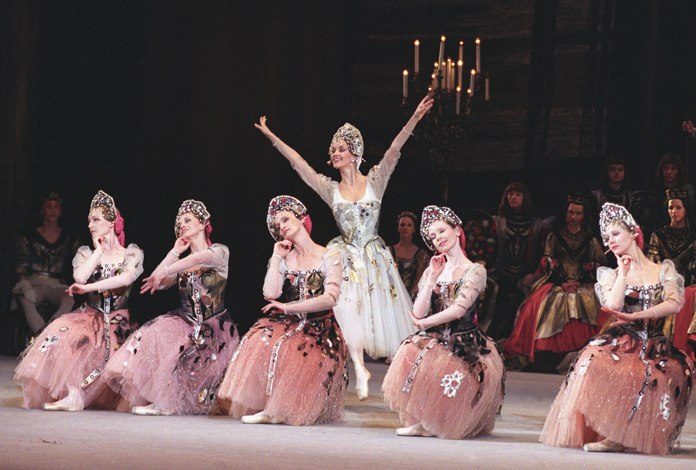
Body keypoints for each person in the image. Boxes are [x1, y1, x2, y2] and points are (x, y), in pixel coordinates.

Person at [254, 95, 433, 400]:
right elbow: (300, 165)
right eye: (332, 149)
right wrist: (273, 138)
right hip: (346, 254)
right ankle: (359, 367)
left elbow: (394, 150)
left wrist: (415, 117)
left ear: (355, 153)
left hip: (374, 257)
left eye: (340, 149)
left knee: (375, 315)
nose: (334, 153)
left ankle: (402, 381)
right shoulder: (329, 188)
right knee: (346, 310)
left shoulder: (375, 180)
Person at [540, 203, 694, 455]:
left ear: (633, 232)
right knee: (592, 361)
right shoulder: (609, 274)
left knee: (660, 374)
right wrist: (623, 273)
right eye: (606, 237)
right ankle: (614, 434)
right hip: (624, 341)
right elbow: (611, 305)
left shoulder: (663, 270)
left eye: (615, 234)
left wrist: (640, 314)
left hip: (655, 344)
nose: (610, 241)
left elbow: (675, 303)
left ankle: (630, 433)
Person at [216, 196, 347, 425]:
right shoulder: (286, 258)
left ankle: (279, 409)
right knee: (260, 338)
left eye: (286, 219)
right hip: (291, 323)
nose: (282, 227)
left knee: (295, 348)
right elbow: (271, 293)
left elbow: (330, 298)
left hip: (321, 328)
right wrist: (276, 257)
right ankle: (272, 407)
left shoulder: (330, 255)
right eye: (278, 225)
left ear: (302, 218)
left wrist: (287, 307)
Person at [101, 199, 239, 415]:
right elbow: (158, 279)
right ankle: (163, 400)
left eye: (187, 220)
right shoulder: (181, 261)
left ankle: (166, 404)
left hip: (214, 326)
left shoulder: (219, 252)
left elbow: (197, 259)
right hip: (186, 321)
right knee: (149, 334)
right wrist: (174, 251)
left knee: (183, 351)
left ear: (203, 224)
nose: (182, 224)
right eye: (179, 222)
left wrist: (167, 270)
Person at [382, 206, 505, 439]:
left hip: (465, 341)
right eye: (433, 236)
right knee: (411, 351)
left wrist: (423, 323)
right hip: (436, 337)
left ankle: (436, 422)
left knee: (447, 368)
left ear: (457, 231)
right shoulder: (435, 267)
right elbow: (418, 309)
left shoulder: (475, 270)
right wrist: (431, 278)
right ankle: (423, 420)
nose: (438, 238)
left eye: (441, 231)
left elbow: (458, 310)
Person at [13, 190, 143, 411]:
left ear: (111, 222)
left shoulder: (131, 253)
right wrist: (99, 251)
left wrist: (90, 287)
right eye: (89, 220)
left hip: (118, 321)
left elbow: (126, 279)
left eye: (96, 220)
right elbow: (79, 277)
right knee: (62, 331)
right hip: (90, 316)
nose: (91, 225)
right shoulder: (86, 252)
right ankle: (74, 395)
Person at [503, 195, 605, 366]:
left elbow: (597, 266)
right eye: (570, 212)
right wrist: (563, 283)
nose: (573, 216)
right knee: (536, 305)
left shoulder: (591, 239)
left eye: (577, 213)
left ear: (583, 216)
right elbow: (549, 263)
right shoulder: (555, 236)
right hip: (558, 282)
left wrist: (579, 282)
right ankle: (544, 351)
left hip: (583, 284)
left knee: (591, 304)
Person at [486, 182, 546, 340]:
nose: (513, 197)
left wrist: (533, 274)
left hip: (527, 277)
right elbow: (490, 252)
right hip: (501, 276)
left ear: (524, 198)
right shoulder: (497, 221)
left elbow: (542, 253)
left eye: (518, 194)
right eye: (510, 194)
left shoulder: (536, 224)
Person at [13, 192, 79, 333]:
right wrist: (23, 282)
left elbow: (80, 259)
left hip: (56, 283)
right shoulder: (29, 236)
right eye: (49, 207)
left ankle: (48, 333)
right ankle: (40, 334)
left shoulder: (68, 238)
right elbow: (21, 262)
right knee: (25, 300)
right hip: (34, 282)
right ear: (42, 211)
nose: (53, 210)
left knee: (69, 300)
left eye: (56, 207)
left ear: (60, 211)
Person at [648, 188, 696, 358]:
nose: (674, 212)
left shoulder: (693, 237)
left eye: (678, 208)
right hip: (662, 285)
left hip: (687, 286)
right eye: (670, 208)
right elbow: (653, 264)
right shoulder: (658, 235)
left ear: (686, 210)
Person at [388, 211, 430, 300]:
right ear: (398, 228)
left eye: (409, 225)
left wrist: (409, 299)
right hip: (391, 296)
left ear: (414, 229)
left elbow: (420, 280)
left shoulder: (421, 254)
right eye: (402, 225)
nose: (405, 228)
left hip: (412, 298)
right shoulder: (389, 251)